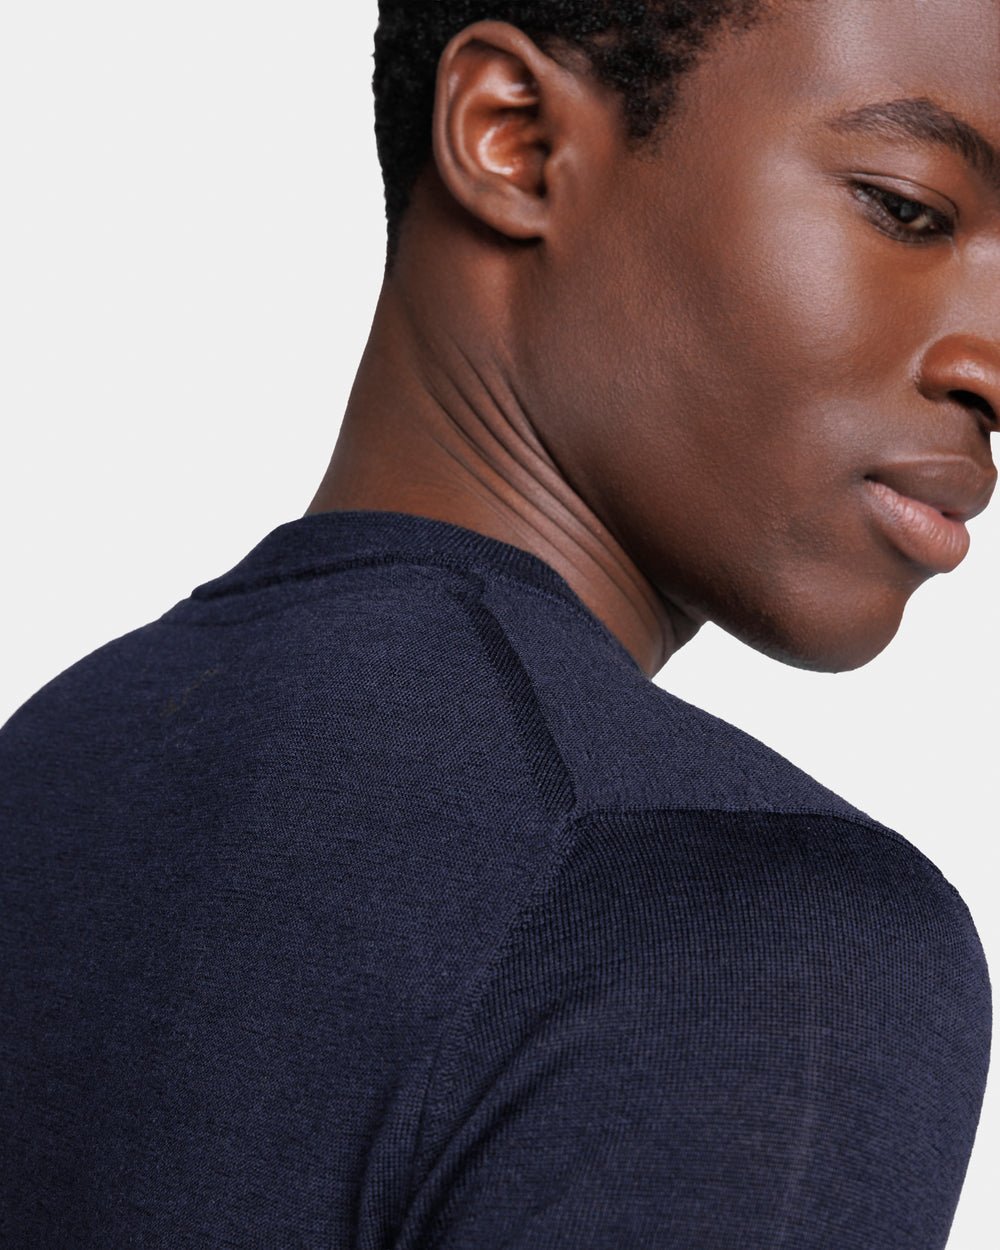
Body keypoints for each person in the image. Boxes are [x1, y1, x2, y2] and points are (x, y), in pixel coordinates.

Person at [2, 0, 996, 1245]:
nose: (988, 364)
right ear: (513, 140)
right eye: (908, 209)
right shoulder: (754, 932)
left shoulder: (47, 769)